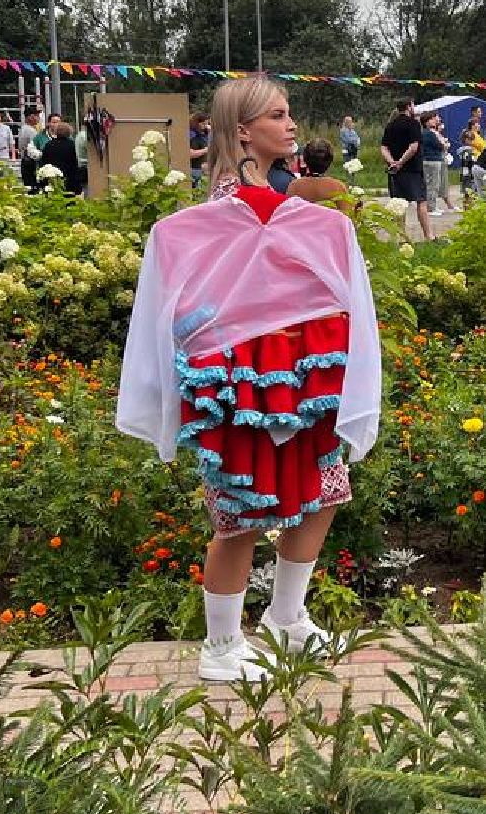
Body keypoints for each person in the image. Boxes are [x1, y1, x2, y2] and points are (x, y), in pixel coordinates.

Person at [125, 75, 377, 680]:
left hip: (304, 375)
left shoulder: (308, 219)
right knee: (239, 511)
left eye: (290, 114)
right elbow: (175, 301)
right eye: (278, 115)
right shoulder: (198, 225)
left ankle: (286, 617)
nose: (292, 126)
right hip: (237, 380)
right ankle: (220, 646)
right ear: (243, 131)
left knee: (325, 493)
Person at [380, 99, 434, 241]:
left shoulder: (390, 125)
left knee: (399, 203)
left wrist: (392, 162)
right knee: (421, 201)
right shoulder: (413, 124)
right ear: (409, 107)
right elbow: (413, 147)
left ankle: (402, 237)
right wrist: (401, 162)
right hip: (413, 169)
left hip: (395, 171)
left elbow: (384, 147)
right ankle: (429, 235)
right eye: (413, 105)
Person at [287, 138, 357, 215]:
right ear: (330, 160)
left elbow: (288, 215)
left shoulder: (294, 186)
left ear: (305, 159)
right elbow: (347, 216)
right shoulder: (337, 187)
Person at [40, 114, 84, 195]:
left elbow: (43, 162)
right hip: (69, 180)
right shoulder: (71, 145)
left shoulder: (49, 145)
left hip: (53, 178)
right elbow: (74, 163)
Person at [420, 111, 450, 216]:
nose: (434, 120)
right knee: (433, 185)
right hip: (432, 160)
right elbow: (440, 145)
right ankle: (431, 208)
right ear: (426, 122)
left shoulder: (427, 133)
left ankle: (433, 206)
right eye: (431, 119)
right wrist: (444, 144)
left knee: (433, 184)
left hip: (431, 160)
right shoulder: (429, 133)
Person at [17, 110, 43, 190]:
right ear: (31, 117)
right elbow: (35, 147)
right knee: (33, 187)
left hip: (26, 161)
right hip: (31, 161)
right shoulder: (30, 130)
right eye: (37, 116)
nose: (38, 118)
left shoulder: (24, 128)